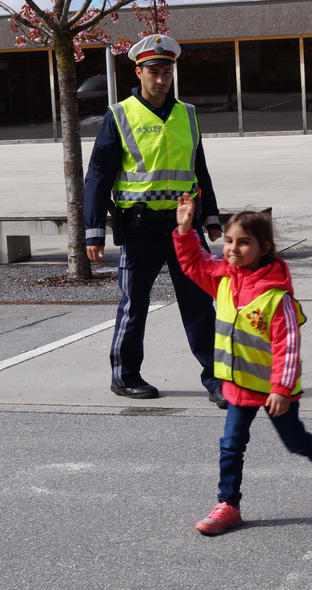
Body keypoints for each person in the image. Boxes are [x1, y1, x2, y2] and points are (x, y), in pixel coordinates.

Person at [173, 196, 312, 536]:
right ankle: (228, 505)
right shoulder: (223, 278)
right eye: (228, 241)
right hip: (237, 386)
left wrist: (281, 389)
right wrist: (184, 230)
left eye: (243, 243)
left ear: (264, 248)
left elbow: (287, 346)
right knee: (231, 445)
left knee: (295, 442)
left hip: (274, 390)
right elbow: (194, 264)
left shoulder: (276, 296)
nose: (233, 249)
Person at [84, 34, 227, 406]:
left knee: (199, 302)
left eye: (166, 71)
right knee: (135, 304)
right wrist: (93, 231)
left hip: (184, 227)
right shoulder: (119, 115)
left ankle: (217, 380)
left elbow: (200, 169)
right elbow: (98, 175)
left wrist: (211, 217)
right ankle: (125, 377)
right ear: (139, 72)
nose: (161, 79)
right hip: (140, 227)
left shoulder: (188, 115)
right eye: (154, 72)